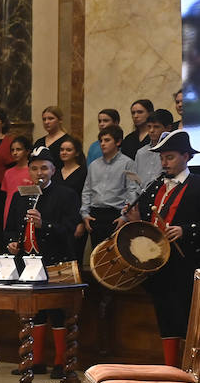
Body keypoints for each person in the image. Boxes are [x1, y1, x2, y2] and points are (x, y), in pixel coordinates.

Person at [127, 130, 200, 367]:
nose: (164, 162)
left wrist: (186, 230)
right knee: (166, 317)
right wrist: (134, 218)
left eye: (169, 157)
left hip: (187, 264)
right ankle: (170, 370)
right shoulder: (155, 186)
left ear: (186, 156)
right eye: (161, 158)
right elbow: (147, 223)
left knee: (187, 319)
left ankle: (191, 371)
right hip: (159, 264)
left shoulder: (198, 185)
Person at [5, 148, 81, 378]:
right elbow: (10, 227)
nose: (40, 172)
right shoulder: (21, 195)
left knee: (58, 311)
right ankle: (35, 361)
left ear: (53, 170)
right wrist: (11, 242)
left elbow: (70, 230)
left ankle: (60, 363)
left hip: (58, 260)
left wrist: (44, 225)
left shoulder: (66, 194)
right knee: (34, 312)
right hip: (29, 261)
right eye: (35, 168)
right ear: (29, 170)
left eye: (44, 168)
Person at [80, 125, 139, 250]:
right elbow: (87, 190)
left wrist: (124, 216)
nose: (102, 144)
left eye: (107, 140)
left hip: (115, 214)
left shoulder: (128, 163)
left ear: (118, 142)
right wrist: (85, 213)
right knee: (96, 253)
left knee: (115, 253)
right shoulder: (94, 165)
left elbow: (132, 191)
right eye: (101, 140)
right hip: (95, 214)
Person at [0, 135, 33, 229]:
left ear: (27, 151)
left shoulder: (32, 171)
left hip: (26, 209)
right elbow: (6, 194)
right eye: (12, 150)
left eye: (18, 149)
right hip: (9, 209)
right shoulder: (8, 172)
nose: (15, 153)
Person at [33, 105, 79, 169]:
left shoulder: (69, 141)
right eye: (44, 119)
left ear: (60, 120)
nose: (46, 122)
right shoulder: (39, 142)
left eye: (50, 118)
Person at [133, 110, 171, 185]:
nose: (151, 130)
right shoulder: (141, 152)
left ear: (168, 128)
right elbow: (135, 181)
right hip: (141, 194)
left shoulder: (173, 152)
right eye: (149, 127)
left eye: (156, 127)